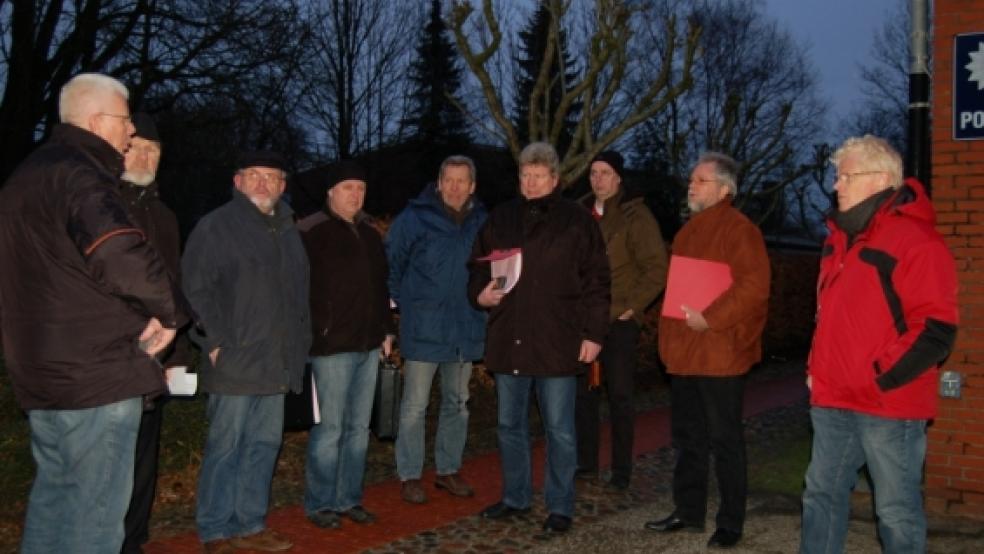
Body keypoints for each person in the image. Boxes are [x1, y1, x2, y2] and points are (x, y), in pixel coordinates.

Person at [0, 73, 186, 554]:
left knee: (54, 500)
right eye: (126, 122)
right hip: (95, 373)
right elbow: (118, 253)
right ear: (99, 120)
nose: (130, 134)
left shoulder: (24, 177)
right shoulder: (83, 175)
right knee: (96, 517)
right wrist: (168, 312)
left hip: (41, 371)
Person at [799, 136, 958, 554]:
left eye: (846, 175)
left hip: (889, 403)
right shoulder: (838, 240)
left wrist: (879, 378)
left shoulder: (915, 240)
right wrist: (816, 371)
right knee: (820, 495)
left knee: (895, 509)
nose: (837, 185)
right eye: (838, 176)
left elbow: (936, 329)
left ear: (880, 180)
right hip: (833, 399)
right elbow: (829, 318)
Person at [468, 142, 610, 534]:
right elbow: (477, 266)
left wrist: (594, 333)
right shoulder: (501, 217)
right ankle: (515, 497)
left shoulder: (578, 221)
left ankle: (560, 506)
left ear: (555, 179)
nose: (530, 183)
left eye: (538, 176)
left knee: (560, 430)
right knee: (509, 426)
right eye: (524, 176)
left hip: (557, 340)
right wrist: (480, 294)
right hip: (509, 336)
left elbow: (597, 280)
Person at [182, 150, 311, 553]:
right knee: (226, 448)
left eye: (271, 177)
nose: (262, 184)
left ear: (283, 185)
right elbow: (195, 289)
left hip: (277, 361)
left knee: (263, 447)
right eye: (253, 175)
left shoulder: (289, 229)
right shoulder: (216, 226)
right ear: (237, 182)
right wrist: (215, 341)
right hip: (236, 359)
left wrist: (300, 349)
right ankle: (215, 528)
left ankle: (251, 523)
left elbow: (299, 295)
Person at [645, 152, 770, 549]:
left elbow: (753, 288)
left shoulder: (740, 230)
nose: (691, 186)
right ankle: (688, 511)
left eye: (699, 180)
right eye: (691, 180)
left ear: (724, 188)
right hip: (686, 354)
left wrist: (711, 319)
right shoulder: (688, 232)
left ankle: (730, 522)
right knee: (688, 439)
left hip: (719, 354)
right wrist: (669, 343)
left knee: (725, 440)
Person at [386, 155, 488, 504]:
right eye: (450, 180)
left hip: (465, 327)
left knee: (457, 403)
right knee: (414, 406)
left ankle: (448, 469)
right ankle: (410, 474)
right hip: (424, 328)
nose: (456, 187)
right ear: (439, 182)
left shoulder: (482, 222)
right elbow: (392, 264)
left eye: (463, 181)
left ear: (472, 186)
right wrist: (408, 304)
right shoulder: (414, 218)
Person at [299, 160, 395, 530]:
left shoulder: (371, 234)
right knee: (330, 428)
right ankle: (320, 502)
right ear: (330, 192)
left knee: (358, 429)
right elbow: (298, 291)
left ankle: (348, 497)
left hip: (369, 344)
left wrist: (387, 330)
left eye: (360, 188)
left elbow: (381, 287)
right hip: (330, 347)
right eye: (347, 188)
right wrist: (313, 332)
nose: (355, 195)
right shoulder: (311, 231)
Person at [119, 112, 192, 554]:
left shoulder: (165, 216)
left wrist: (178, 355)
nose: (146, 156)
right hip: (111, 356)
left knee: (144, 456)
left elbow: (174, 287)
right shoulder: (101, 203)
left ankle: (133, 540)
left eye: (155, 150)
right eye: (138, 146)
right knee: (108, 460)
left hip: (155, 356)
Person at [574, 150, 668, 490]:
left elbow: (656, 268)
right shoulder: (579, 214)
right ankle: (585, 463)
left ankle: (621, 470)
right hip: (584, 319)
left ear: (618, 178)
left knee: (620, 395)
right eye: (594, 172)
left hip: (618, 320)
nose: (598, 179)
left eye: (605, 173)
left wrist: (633, 306)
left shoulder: (635, 216)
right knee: (582, 395)